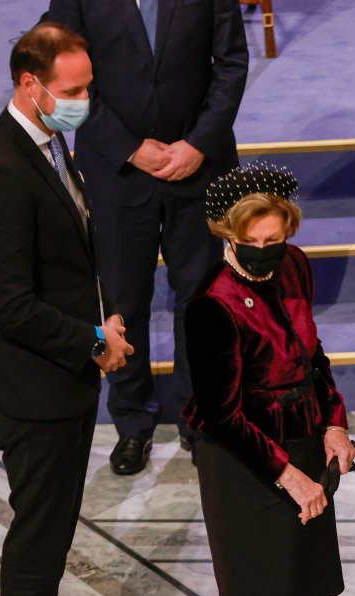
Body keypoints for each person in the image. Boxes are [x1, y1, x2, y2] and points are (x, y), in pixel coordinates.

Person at [0, 23, 135, 596]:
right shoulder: (0, 167)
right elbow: (11, 304)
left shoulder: (48, 141)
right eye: (72, 91)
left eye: (88, 87)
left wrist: (107, 312)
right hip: (31, 384)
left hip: (62, 379)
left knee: (56, 531)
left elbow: (71, 253)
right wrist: (95, 340)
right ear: (29, 84)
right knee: (37, 538)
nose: (84, 101)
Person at [183, 164, 355, 596]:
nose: (267, 256)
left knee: (310, 580)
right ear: (227, 235)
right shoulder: (210, 303)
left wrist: (335, 424)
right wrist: (288, 475)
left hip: (305, 439)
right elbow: (220, 414)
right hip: (245, 456)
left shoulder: (295, 266)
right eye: (254, 245)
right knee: (258, 594)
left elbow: (312, 354)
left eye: (276, 242)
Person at [47, 0, 249, 476]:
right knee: (123, 302)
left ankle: (198, 418)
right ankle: (132, 423)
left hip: (199, 165)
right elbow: (60, 71)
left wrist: (199, 143)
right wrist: (130, 148)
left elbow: (232, 61)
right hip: (117, 170)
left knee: (200, 301)